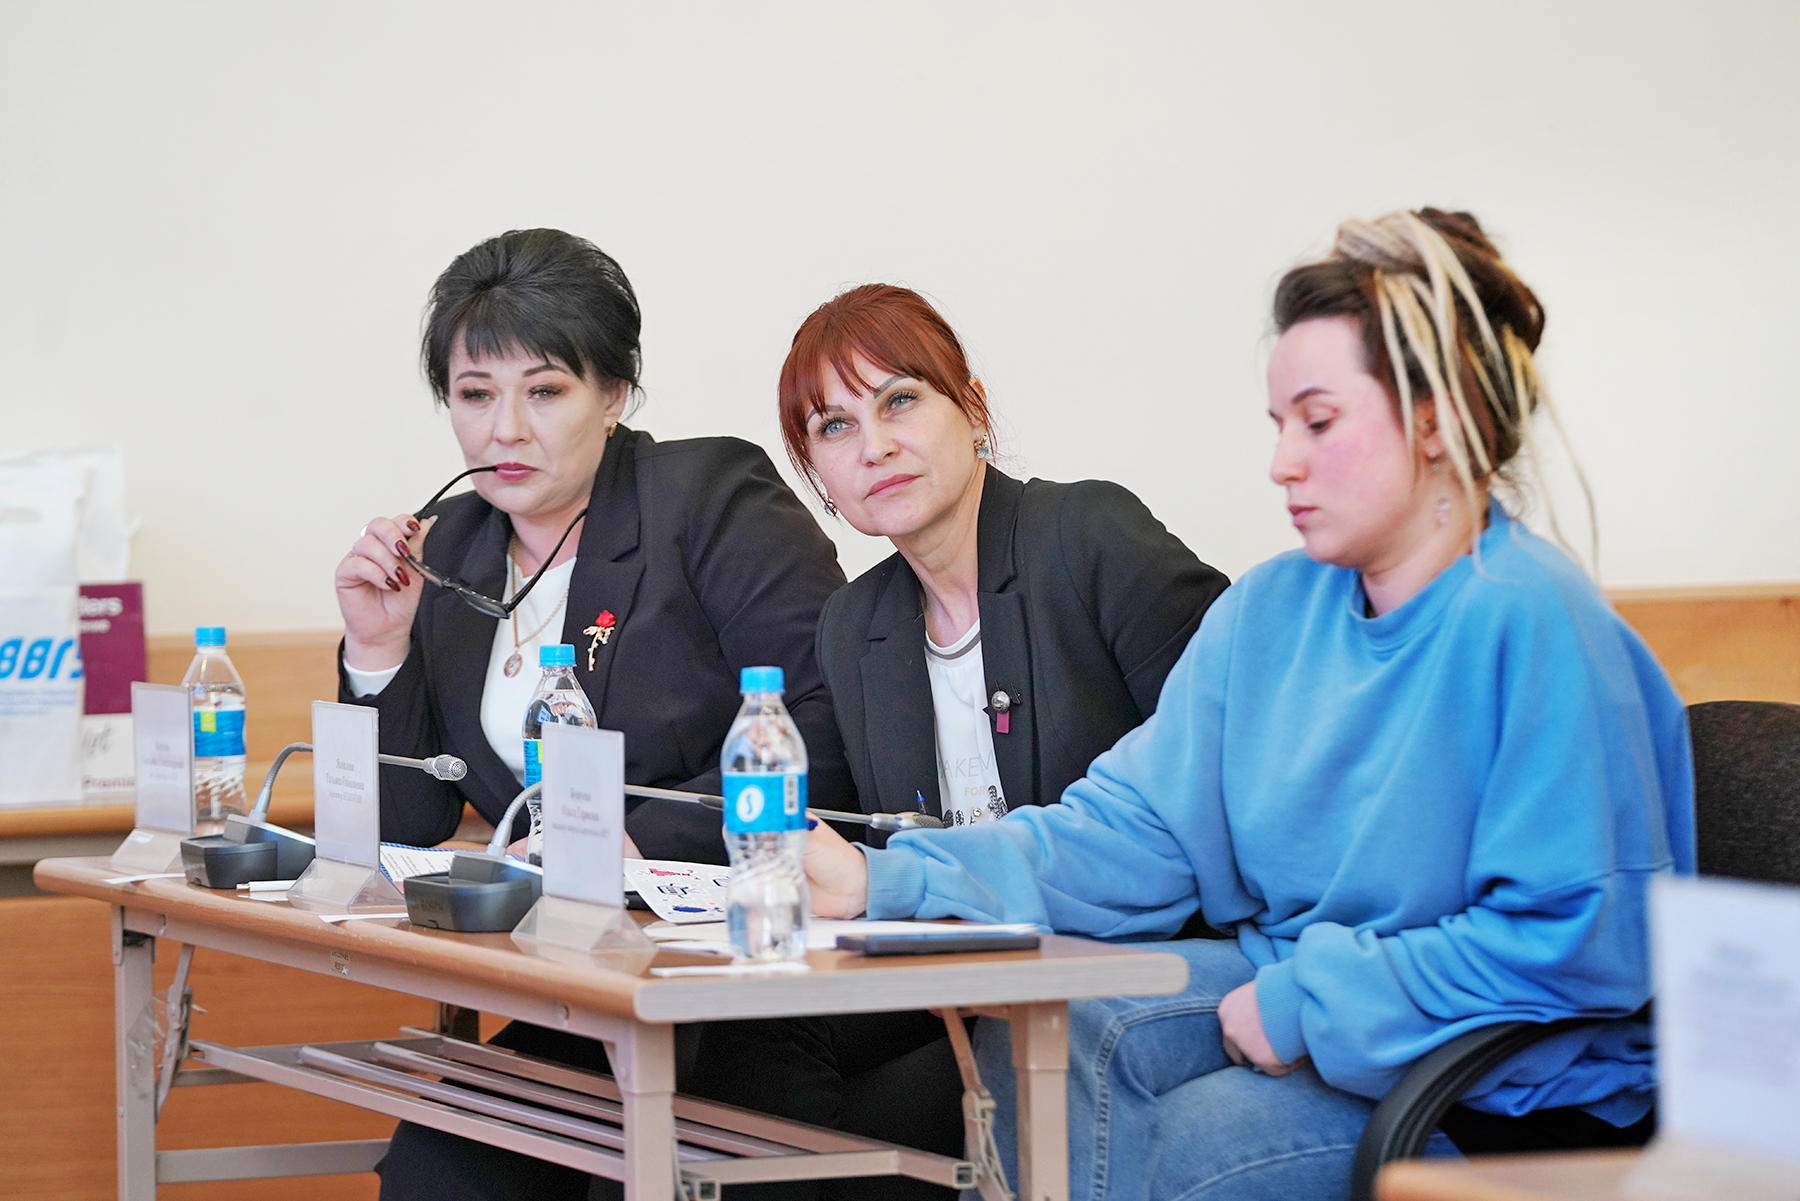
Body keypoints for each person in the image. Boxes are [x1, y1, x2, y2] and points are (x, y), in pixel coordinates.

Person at [803, 211, 1697, 1201]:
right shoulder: (1271, 609)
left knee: (1194, 1144)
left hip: (1499, 1088)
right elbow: (1135, 829)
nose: (1282, 462)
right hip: (1289, 987)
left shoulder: (1533, 621)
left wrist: (1311, 1000)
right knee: (1041, 1034)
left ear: (1435, 418)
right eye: (1279, 426)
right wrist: (891, 878)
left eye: (1319, 422)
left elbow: (1582, 939)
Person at [333, 227, 855, 1201]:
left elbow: (823, 727)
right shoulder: (449, 553)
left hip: (750, 982)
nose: (504, 430)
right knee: (440, 1174)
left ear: (614, 394)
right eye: (475, 394)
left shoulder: (706, 498)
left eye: (545, 391)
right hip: (582, 982)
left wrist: (633, 844)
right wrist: (378, 650)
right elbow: (407, 822)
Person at [687, 283, 1230, 1199]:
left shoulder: (1088, 538)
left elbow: (1232, 777)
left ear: (972, 409)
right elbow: (880, 846)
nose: (874, 445)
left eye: (900, 400)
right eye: (834, 426)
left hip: (1117, 967)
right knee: (748, 1039)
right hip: (965, 965)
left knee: (847, 1148)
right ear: (818, 475)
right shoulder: (854, 626)